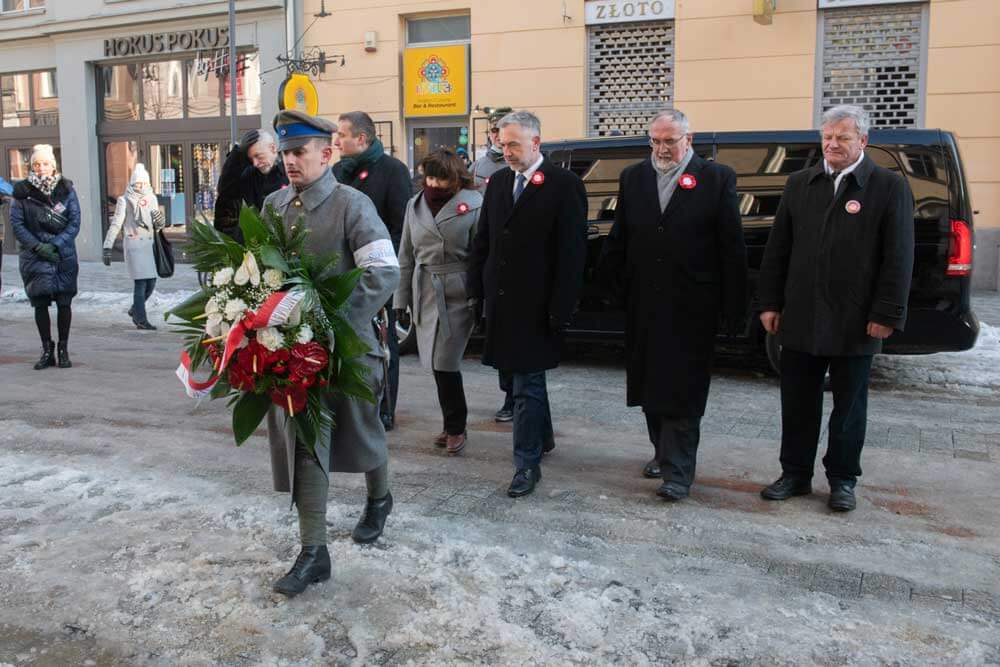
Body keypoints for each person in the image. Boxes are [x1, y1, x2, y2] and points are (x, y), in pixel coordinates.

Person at [265, 110, 400, 597]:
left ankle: (379, 498)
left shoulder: (352, 205)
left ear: (327, 154)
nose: (289, 161)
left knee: (365, 434)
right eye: (285, 153)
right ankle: (313, 551)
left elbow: (382, 273)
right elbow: (262, 273)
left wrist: (330, 323)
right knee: (306, 443)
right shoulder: (274, 206)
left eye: (299, 152)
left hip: (347, 349)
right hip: (291, 354)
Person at [756, 104, 914, 513]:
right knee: (797, 401)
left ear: (863, 141)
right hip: (802, 316)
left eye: (842, 137)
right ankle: (795, 474)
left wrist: (887, 313)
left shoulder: (887, 186)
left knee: (849, 407)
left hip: (856, 319)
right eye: (827, 136)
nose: (832, 144)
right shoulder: (799, 183)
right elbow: (778, 251)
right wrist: (770, 302)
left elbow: (899, 257)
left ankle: (843, 480)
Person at [597, 109, 748, 501]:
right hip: (645, 302)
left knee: (682, 389)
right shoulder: (634, 177)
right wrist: (611, 286)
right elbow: (621, 236)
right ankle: (662, 453)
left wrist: (735, 306)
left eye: (670, 140)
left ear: (688, 139)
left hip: (693, 305)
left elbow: (731, 246)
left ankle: (678, 472)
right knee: (649, 385)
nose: (662, 148)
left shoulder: (716, 178)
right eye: (656, 140)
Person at [467, 110, 587, 498]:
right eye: (502, 144)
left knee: (526, 385)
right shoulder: (500, 181)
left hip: (538, 305)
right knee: (522, 380)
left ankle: (526, 464)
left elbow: (571, 253)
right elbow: (483, 240)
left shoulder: (563, 184)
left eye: (514, 144)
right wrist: (475, 290)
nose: (507, 151)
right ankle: (543, 438)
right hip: (502, 301)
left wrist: (561, 307)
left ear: (536, 142)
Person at [394, 150, 483, 455]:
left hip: (457, 291)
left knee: (445, 362)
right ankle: (451, 424)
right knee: (434, 363)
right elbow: (405, 255)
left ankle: (457, 427)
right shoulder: (414, 205)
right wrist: (400, 298)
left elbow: (481, 255)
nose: (433, 184)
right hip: (424, 289)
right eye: (429, 177)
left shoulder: (474, 204)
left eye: (440, 177)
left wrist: (477, 296)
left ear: (456, 176)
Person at [333, 111, 412, 432]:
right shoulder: (337, 171)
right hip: (340, 275)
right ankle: (348, 404)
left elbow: (400, 227)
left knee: (383, 343)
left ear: (362, 139)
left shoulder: (393, 171)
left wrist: (370, 261)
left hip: (376, 274)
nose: (336, 141)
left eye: (342, 135)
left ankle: (384, 409)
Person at [9, 144, 81, 370]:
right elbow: (17, 224)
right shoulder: (21, 193)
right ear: (32, 166)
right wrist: (38, 247)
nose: (41, 168)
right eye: (37, 164)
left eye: (46, 163)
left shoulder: (67, 190)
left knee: (64, 303)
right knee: (40, 304)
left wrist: (57, 245)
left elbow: (75, 222)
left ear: (53, 165)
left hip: (63, 256)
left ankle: (63, 349)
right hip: (34, 257)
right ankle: (46, 349)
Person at [469, 106, 516, 423]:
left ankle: (516, 397)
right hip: (490, 255)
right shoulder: (481, 165)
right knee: (496, 334)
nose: (496, 135)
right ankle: (508, 393)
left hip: (516, 257)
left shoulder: (522, 161)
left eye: (501, 129)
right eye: (493, 130)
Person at [102, 164, 166, 330]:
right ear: (131, 184)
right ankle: (141, 320)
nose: (140, 186)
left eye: (143, 183)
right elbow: (116, 224)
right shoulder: (124, 200)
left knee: (151, 283)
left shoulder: (151, 198)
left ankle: (135, 309)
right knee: (140, 284)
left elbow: (157, 225)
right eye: (137, 183)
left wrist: (160, 222)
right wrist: (107, 247)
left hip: (149, 246)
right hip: (134, 246)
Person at [213, 129, 289, 242]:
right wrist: (238, 153)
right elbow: (226, 191)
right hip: (254, 246)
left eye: (258, 156)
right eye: (251, 159)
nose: (255, 163)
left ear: (273, 148)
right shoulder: (250, 175)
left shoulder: (290, 173)